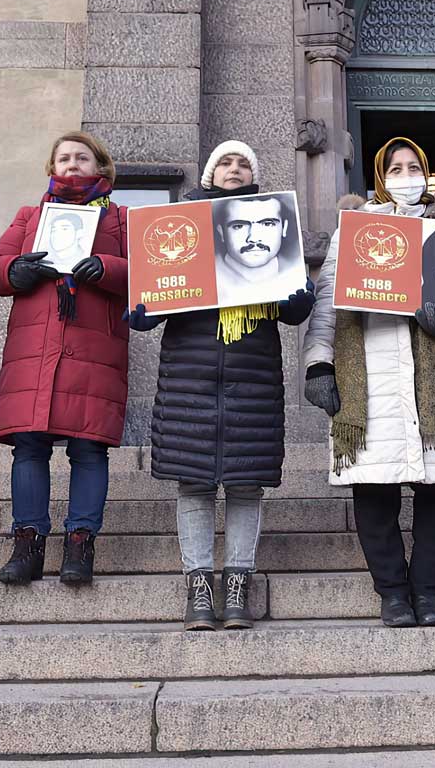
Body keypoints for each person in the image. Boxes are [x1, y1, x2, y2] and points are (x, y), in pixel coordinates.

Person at [126, 140, 316, 631]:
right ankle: (199, 587)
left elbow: (293, 314)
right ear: (211, 174)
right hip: (190, 377)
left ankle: (237, 587)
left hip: (252, 378)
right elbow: (156, 305)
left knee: (246, 485)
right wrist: (142, 311)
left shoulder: (275, 230)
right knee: (194, 485)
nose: (234, 168)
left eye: (243, 162)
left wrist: (300, 294)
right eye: (225, 162)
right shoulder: (181, 226)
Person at [302, 137, 435, 629]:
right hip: (371, 370)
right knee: (374, 489)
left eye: (413, 166)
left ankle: (427, 592)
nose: (406, 175)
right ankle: (392, 594)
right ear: (381, 177)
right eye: (395, 167)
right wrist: (319, 363)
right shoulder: (355, 231)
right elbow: (327, 304)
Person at [0, 132, 129, 588]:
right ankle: (27, 543)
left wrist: (108, 268)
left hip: (95, 352)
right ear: (51, 168)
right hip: (34, 350)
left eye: (81, 157)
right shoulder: (30, 216)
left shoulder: (120, 220)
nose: (72, 164)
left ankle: (80, 544)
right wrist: (13, 270)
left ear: (100, 168)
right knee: (29, 446)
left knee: (89, 448)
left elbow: (151, 274)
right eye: (63, 158)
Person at [212, 192, 300, 306]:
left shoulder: (294, 275)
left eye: (267, 224)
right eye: (239, 226)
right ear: (221, 232)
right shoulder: (204, 280)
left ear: (284, 228)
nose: (253, 238)